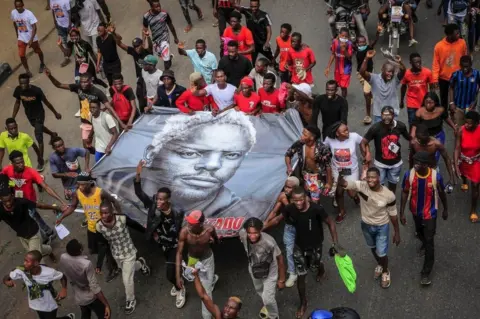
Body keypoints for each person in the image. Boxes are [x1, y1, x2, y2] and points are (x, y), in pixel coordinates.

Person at [337, 167, 400, 289]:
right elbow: (343, 183)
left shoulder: (389, 195)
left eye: (373, 177)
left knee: (381, 253)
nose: (370, 180)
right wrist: (340, 175)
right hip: (366, 225)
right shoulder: (361, 186)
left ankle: (385, 271)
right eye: (368, 177)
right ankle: (380, 265)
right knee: (372, 248)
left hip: (382, 226)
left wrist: (397, 232)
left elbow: (393, 214)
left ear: (379, 178)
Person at [134, 160, 186, 308]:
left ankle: (180, 288)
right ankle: (179, 277)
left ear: (168, 200)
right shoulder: (153, 205)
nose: (158, 202)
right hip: (162, 244)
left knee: (170, 274)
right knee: (172, 268)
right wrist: (138, 173)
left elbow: (182, 227)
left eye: (162, 199)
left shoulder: (178, 211)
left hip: (175, 245)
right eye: (157, 198)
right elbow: (138, 192)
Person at [283, 186, 338, 318]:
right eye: (295, 200)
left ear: (306, 197)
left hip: (315, 246)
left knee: (315, 264)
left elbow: (330, 222)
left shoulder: (316, 209)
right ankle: (303, 303)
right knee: (301, 275)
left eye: (301, 199)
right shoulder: (289, 209)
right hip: (299, 247)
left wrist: (335, 243)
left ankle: (321, 269)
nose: (298, 203)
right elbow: (284, 218)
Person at [56, 172, 119, 280]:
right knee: (93, 249)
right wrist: (62, 217)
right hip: (91, 228)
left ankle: (113, 268)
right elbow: (72, 207)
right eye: (79, 184)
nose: (80, 187)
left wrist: (118, 218)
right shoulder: (78, 193)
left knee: (106, 250)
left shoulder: (100, 193)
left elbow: (114, 201)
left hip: (103, 227)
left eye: (83, 184)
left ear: (90, 183)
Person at [44, 69, 125, 151]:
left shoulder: (98, 92)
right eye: (81, 82)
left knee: (109, 144)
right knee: (86, 146)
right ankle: (100, 154)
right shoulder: (78, 87)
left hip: (97, 121)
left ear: (91, 81)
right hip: (85, 121)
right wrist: (50, 76)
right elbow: (59, 85)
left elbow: (109, 107)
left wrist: (121, 122)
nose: (83, 84)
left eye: (85, 82)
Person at [400, 151, 448, 285]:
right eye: (415, 162)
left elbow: (442, 193)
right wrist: (402, 212)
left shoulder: (435, 177)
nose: (415, 165)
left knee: (429, 241)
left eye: (419, 163)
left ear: (426, 165)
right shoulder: (409, 175)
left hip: (430, 214)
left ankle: (425, 273)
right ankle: (423, 242)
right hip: (415, 212)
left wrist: (445, 209)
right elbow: (404, 193)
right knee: (419, 232)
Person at [96, 198, 151, 315]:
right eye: (101, 213)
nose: (103, 216)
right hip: (116, 254)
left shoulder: (122, 219)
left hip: (129, 252)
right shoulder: (99, 226)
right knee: (128, 270)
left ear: (112, 211)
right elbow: (102, 245)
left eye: (106, 213)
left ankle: (131, 300)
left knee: (127, 279)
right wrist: (99, 264)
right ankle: (141, 264)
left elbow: (137, 226)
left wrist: (149, 232)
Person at [3, 151, 66, 239]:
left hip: (29, 201)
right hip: (17, 202)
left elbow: (46, 187)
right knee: (35, 216)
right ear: (12, 163)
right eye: (18, 163)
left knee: (30, 222)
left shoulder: (31, 172)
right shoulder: (7, 170)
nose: (21, 164)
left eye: (22, 161)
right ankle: (49, 231)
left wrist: (61, 200)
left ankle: (44, 240)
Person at [2, 250, 74, 319]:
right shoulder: (22, 270)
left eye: (27, 261)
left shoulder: (49, 272)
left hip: (49, 305)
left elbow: (62, 276)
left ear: (36, 263)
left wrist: (64, 289)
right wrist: (6, 281)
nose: (24, 263)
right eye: (24, 260)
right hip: (35, 304)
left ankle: (68, 318)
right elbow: (8, 276)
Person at [238, 217, 286, 319]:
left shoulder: (269, 242)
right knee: (259, 290)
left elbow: (280, 258)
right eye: (249, 233)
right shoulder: (243, 234)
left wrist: (281, 279)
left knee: (268, 298)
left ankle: (274, 316)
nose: (252, 236)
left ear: (260, 230)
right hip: (254, 269)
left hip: (270, 271)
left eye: (255, 233)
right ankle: (268, 304)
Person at [0, 175, 55, 261]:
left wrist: (55, 207)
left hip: (33, 232)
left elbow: (39, 205)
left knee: (34, 259)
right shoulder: (1, 210)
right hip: (22, 236)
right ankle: (49, 250)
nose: (8, 203)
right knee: (40, 249)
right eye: (5, 202)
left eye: (9, 200)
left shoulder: (21, 202)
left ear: (13, 196)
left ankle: (45, 272)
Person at [176, 210, 220, 319]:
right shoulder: (184, 232)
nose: (189, 225)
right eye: (188, 222)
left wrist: (214, 241)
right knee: (197, 280)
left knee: (206, 292)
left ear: (200, 224)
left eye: (192, 223)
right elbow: (179, 253)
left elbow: (217, 240)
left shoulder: (209, 230)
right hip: (193, 260)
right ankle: (211, 279)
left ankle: (206, 316)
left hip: (207, 260)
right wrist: (178, 277)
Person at [13, 74, 62, 163]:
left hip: (39, 114)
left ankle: (40, 159)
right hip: (29, 115)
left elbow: (46, 102)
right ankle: (52, 134)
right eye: (21, 83)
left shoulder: (36, 91)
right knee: (38, 127)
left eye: (24, 83)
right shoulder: (18, 90)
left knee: (38, 135)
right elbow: (17, 103)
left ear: (28, 82)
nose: (23, 85)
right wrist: (13, 117)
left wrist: (55, 113)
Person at [361, 106, 410, 192]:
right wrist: (367, 154)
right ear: (381, 115)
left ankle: (391, 201)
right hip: (380, 164)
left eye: (389, 115)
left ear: (393, 115)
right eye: (384, 115)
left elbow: (409, 138)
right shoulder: (375, 128)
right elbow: (363, 142)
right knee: (379, 186)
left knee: (393, 185)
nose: (386, 118)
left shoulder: (400, 126)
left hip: (396, 164)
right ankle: (380, 203)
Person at [59, 239, 111, 318]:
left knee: (85, 314)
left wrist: (64, 288)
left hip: (78, 297)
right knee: (105, 315)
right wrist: (106, 304)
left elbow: (62, 274)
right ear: (80, 250)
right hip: (90, 297)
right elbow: (94, 286)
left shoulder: (63, 257)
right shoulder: (86, 264)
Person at [262, 177, 300, 287]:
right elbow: (275, 212)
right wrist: (265, 222)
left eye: (289, 187)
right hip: (289, 227)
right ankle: (292, 273)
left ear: (296, 188)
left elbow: (291, 213)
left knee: (305, 250)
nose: (286, 189)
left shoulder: (301, 198)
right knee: (289, 250)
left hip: (301, 227)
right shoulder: (283, 196)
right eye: (285, 186)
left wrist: (286, 202)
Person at [324, 122, 364, 223]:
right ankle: (342, 211)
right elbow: (323, 148)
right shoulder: (330, 139)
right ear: (337, 134)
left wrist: (366, 154)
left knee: (351, 193)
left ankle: (355, 197)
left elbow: (364, 142)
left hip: (352, 170)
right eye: (344, 131)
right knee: (339, 192)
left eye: (347, 129)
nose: (347, 132)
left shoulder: (354, 136)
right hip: (337, 170)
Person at [285, 126, 333, 203]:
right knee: (304, 196)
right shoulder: (300, 144)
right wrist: (289, 167)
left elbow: (328, 165)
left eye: (305, 135)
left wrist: (329, 182)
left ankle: (316, 209)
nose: (301, 136)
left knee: (314, 200)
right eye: (302, 133)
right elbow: (288, 154)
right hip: (303, 175)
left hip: (316, 177)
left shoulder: (322, 148)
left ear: (312, 137)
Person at [110, 28, 152, 112]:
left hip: (149, 78)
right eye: (135, 46)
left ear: (142, 44)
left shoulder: (147, 51)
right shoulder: (133, 52)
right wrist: (113, 33)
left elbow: (150, 46)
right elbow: (120, 44)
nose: (136, 48)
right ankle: (142, 113)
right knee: (140, 97)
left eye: (138, 46)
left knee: (150, 97)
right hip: (140, 78)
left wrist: (148, 37)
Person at [360, 50, 406, 123]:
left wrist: (400, 62)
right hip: (379, 115)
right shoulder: (374, 79)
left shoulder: (395, 79)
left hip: (393, 114)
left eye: (392, 72)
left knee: (393, 133)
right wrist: (366, 58)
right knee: (379, 134)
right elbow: (362, 72)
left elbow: (403, 71)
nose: (390, 74)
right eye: (388, 71)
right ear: (382, 70)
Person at [411, 92, 456, 161]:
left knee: (435, 157)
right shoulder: (419, 112)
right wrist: (413, 138)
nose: (428, 104)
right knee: (426, 156)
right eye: (426, 102)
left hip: (439, 137)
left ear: (435, 102)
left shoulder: (440, 110)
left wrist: (454, 128)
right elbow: (414, 126)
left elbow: (447, 118)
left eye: (431, 102)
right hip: (425, 138)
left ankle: (434, 169)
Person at [432, 24, 468, 109]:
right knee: (443, 98)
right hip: (443, 78)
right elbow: (436, 63)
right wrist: (435, 79)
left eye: (459, 33)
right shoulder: (439, 46)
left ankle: (455, 114)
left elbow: (465, 58)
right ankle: (444, 114)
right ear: (449, 35)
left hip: (458, 76)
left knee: (457, 97)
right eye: (456, 34)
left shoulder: (462, 43)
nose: (459, 35)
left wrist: (466, 72)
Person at [454, 111, 480, 222]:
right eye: (466, 122)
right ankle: (464, 182)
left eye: (470, 123)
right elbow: (457, 147)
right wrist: (455, 163)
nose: (467, 125)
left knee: (475, 185)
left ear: (477, 123)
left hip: (476, 160)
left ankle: (473, 210)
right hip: (464, 159)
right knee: (463, 174)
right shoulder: (461, 130)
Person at [49, 136, 90, 203]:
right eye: (58, 146)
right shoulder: (53, 158)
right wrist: (66, 174)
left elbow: (87, 152)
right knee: (75, 204)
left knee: (87, 201)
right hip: (69, 187)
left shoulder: (72, 151)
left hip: (81, 183)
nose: (61, 147)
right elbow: (54, 174)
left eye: (62, 144)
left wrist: (86, 167)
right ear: (54, 148)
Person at [11, 0, 46, 76]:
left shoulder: (29, 14)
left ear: (23, 4)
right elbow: (14, 22)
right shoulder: (13, 12)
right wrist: (17, 33)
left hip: (31, 37)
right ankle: (27, 71)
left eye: (20, 6)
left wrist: (31, 39)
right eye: (17, 6)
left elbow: (34, 27)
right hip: (21, 38)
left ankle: (42, 63)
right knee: (21, 55)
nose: (19, 8)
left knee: (38, 51)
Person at [143, 0, 180, 70]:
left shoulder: (164, 14)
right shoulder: (146, 16)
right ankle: (169, 57)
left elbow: (170, 25)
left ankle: (166, 74)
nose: (159, 8)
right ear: (151, 7)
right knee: (160, 54)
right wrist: (143, 42)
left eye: (159, 6)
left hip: (164, 38)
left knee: (165, 60)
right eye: (156, 7)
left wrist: (175, 37)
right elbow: (145, 29)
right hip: (155, 40)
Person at [355, 27, 381, 125]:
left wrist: (378, 32)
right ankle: (371, 96)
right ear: (357, 43)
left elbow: (374, 42)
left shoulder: (368, 48)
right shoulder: (355, 48)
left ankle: (368, 116)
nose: (362, 44)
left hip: (369, 74)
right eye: (360, 42)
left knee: (366, 93)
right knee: (368, 91)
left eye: (364, 42)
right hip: (360, 74)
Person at [400, 53, 434, 128]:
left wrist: (432, 100)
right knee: (412, 123)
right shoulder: (407, 74)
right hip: (411, 103)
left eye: (420, 62)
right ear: (411, 63)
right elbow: (403, 87)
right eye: (416, 62)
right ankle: (412, 138)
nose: (419, 64)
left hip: (424, 102)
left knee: (424, 123)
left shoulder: (427, 72)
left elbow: (432, 87)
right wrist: (401, 101)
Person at [449, 55, 480, 126]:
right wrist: (451, 102)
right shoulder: (456, 74)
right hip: (458, 107)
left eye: (467, 66)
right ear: (460, 65)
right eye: (463, 66)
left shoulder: (477, 74)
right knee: (458, 129)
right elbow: (451, 87)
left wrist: (475, 101)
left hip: (471, 107)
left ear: (471, 65)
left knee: (472, 127)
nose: (465, 69)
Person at [325, 28, 353, 98]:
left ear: (348, 37)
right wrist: (328, 67)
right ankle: (334, 98)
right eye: (342, 36)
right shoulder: (335, 42)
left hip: (346, 69)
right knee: (336, 84)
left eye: (346, 36)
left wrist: (344, 50)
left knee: (343, 87)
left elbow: (349, 57)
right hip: (337, 68)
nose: (344, 38)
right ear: (339, 35)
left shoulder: (349, 44)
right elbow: (333, 54)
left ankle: (343, 101)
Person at [50, 0, 72, 67]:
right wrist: (54, 21)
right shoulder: (51, 1)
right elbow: (53, 11)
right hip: (60, 25)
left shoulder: (65, 1)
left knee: (72, 41)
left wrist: (70, 24)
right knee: (63, 42)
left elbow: (69, 12)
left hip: (68, 25)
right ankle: (66, 58)